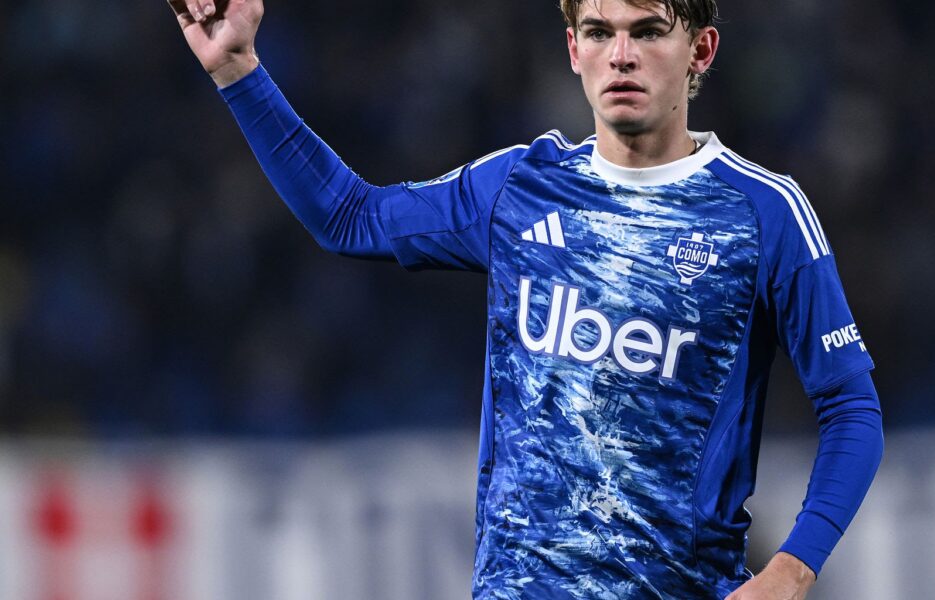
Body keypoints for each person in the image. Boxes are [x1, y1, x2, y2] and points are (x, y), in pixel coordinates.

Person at [167, 0, 884, 597]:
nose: (621, 56)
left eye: (647, 31)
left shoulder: (764, 213)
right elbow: (349, 216)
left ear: (701, 49)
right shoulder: (521, 188)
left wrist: (792, 569)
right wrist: (237, 70)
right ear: (573, 49)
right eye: (599, 32)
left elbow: (851, 408)